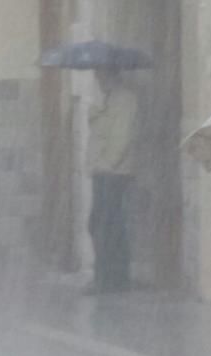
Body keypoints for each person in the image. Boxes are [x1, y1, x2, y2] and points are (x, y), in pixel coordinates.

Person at [86, 67, 138, 294]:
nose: (98, 80)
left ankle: (111, 278)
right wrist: (96, 113)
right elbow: (99, 133)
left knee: (106, 225)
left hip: (114, 172)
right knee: (101, 224)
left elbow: (122, 137)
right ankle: (108, 276)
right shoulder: (105, 99)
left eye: (101, 75)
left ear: (111, 75)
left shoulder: (125, 100)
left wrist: (109, 163)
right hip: (101, 170)